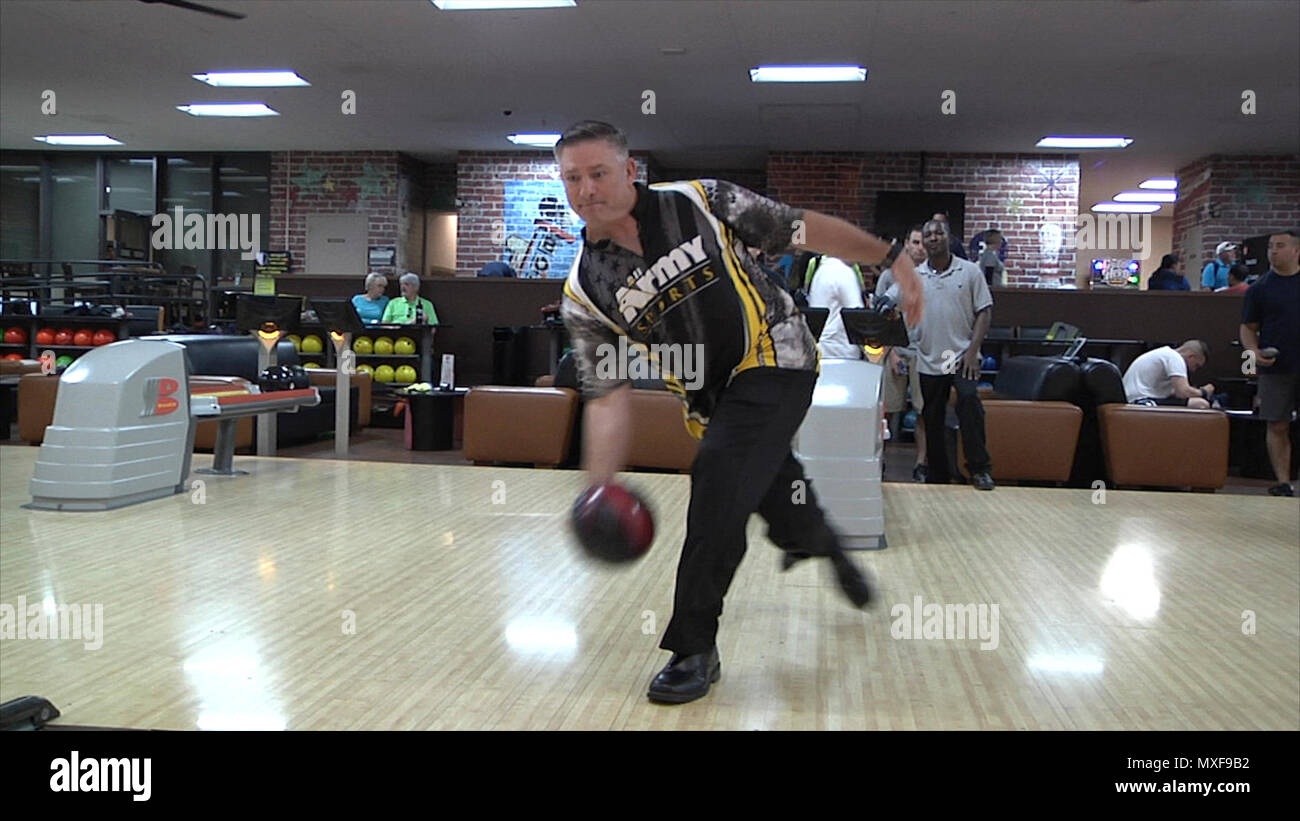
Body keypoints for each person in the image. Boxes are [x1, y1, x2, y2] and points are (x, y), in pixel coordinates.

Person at [555, 120, 923, 705]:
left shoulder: (700, 201)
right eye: (572, 178)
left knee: (720, 475)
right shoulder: (584, 290)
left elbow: (802, 228)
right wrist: (598, 489)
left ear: (629, 170)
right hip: (713, 401)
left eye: (598, 173)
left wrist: (890, 256)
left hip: (778, 355)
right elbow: (606, 395)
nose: (586, 190)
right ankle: (817, 538)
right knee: (762, 483)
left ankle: (692, 646)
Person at [913, 218, 995, 490]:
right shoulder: (916, 276)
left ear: (949, 238)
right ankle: (938, 475)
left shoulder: (970, 272)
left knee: (969, 403)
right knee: (932, 416)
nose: (933, 238)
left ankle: (980, 469)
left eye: (939, 233)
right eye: (928, 235)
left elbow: (984, 311)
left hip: (961, 355)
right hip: (930, 356)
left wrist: (973, 352)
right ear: (924, 243)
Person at [1240, 230, 1300, 497]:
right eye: (1270, 247)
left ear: (1296, 251)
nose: (1273, 251)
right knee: (1277, 424)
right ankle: (1284, 482)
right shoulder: (1259, 288)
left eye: (1280, 246)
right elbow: (1248, 327)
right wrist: (1252, 351)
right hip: (1277, 366)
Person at [878, 225, 929, 481]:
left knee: (922, 410)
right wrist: (890, 353)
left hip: (922, 352)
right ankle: (881, 460)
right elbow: (881, 318)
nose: (920, 247)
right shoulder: (889, 276)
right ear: (907, 244)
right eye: (916, 242)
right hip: (895, 350)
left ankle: (921, 463)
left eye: (923, 243)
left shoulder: (932, 275)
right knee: (886, 409)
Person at [1121, 340, 1215, 408]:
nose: (1194, 370)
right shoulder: (1175, 357)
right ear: (1191, 356)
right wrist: (1203, 392)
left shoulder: (1164, 354)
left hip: (1133, 399)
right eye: (1196, 365)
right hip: (1141, 401)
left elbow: (1173, 392)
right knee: (1201, 404)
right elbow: (1183, 392)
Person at [807, 256, 866, 359]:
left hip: (821, 347)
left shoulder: (821, 270)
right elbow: (857, 315)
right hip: (842, 349)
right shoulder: (844, 272)